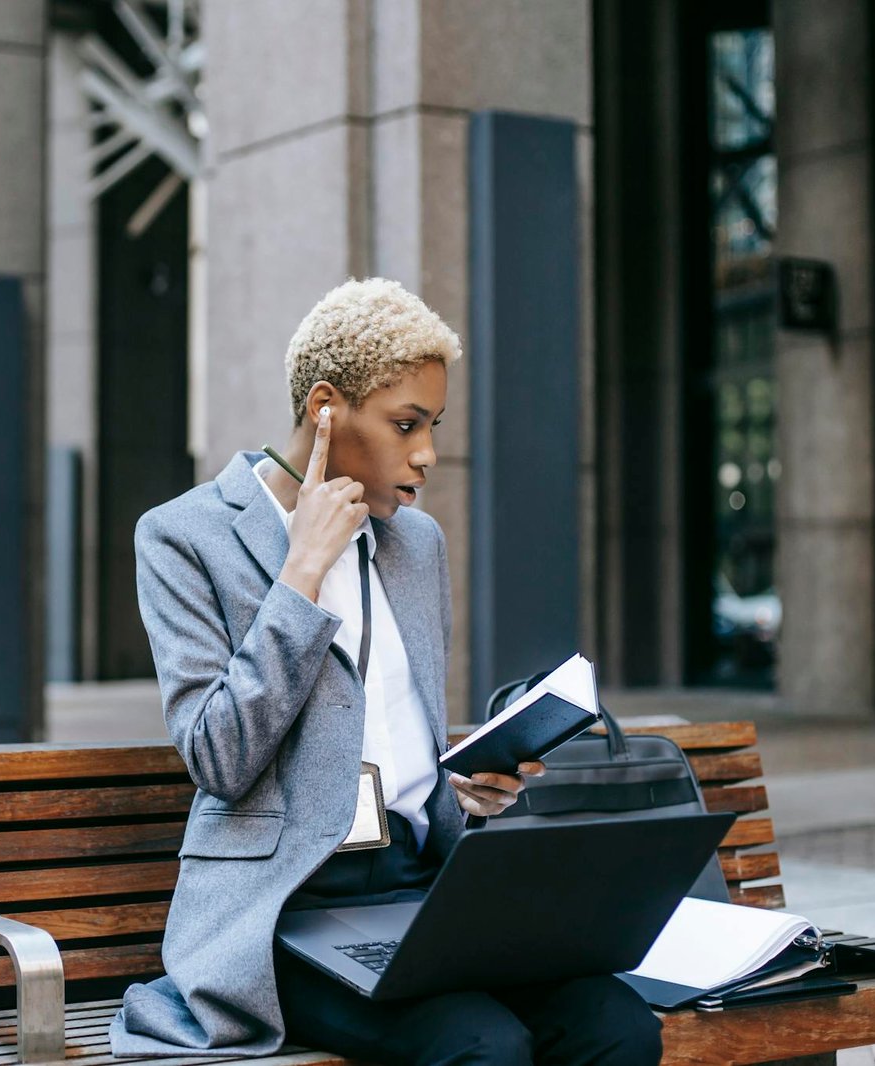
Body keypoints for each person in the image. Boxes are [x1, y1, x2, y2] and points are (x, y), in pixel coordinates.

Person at [110, 278, 661, 1065]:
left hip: (421, 890)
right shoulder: (186, 537)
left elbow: (397, 738)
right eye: (407, 425)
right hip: (285, 912)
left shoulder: (416, 544)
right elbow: (218, 759)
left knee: (616, 1024)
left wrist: (462, 790)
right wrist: (300, 575)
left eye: (433, 425)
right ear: (326, 408)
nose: (428, 453)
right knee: (484, 1046)